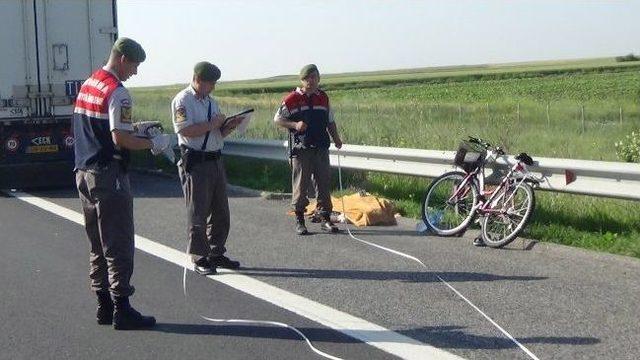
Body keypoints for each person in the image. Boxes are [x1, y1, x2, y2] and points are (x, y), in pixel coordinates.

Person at [74, 37, 171, 330]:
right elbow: (120, 138)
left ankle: (103, 306)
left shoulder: (89, 84)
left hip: (84, 172)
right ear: (123, 59)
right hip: (109, 175)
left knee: (96, 243)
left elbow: (100, 127)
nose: (136, 72)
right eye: (135, 66)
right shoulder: (119, 92)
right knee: (118, 242)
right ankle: (122, 309)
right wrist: (152, 142)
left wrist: (134, 128)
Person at [171, 61, 244, 276]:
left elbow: (216, 133)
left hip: (215, 159)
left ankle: (216, 251)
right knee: (198, 211)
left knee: (221, 210)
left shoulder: (210, 102)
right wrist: (213, 124)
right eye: (210, 83)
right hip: (196, 161)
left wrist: (228, 126)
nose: (213, 87)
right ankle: (199, 256)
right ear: (198, 80)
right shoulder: (183, 101)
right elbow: (186, 131)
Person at [274, 64, 343, 235]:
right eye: (307, 78)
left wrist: (336, 138)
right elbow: (278, 119)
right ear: (302, 80)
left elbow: (330, 120)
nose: (311, 81)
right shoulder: (291, 99)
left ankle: (325, 217)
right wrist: (294, 124)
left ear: (319, 78)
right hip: (301, 148)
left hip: (320, 146)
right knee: (301, 185)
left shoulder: (323, 97)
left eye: (314, 77)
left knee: (324, 183)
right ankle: (299, 220)